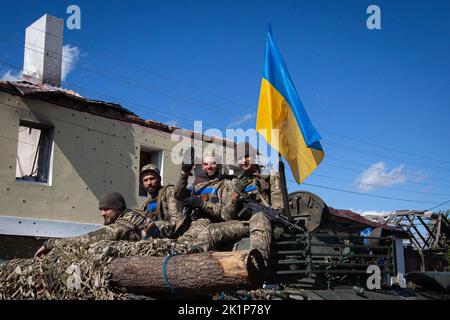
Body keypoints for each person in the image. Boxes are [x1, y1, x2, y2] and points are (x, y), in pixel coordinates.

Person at [192, 142, 283, 264]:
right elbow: (227, 216)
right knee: (212, 229)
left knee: (259, 217)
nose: (244, 161)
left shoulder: (270, 176)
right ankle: (193, 261)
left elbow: (278, 206)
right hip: (244, 223)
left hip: (265, 219)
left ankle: (259, 264)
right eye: (240, 158)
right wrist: (235, 194)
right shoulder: (235, 182)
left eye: (247, 156)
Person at [34, 191, 152, 257]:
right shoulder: (136, 214)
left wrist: (48, 243)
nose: (102, 213)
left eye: (106, 209)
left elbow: (85, 239)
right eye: (101, 209)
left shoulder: (120, 227)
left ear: (118, 208)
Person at [174, 148, 239, 243]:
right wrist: (184, 172)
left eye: (213, 163)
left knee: (196, 228)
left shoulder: (226, 184)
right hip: (191, 226)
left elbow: (227, 215)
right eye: (206, 164)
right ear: (202, 166)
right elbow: (178, 195)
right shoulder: (197, 187)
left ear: (219, 165)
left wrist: (202, 204)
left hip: (212, 227)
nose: (209, 167)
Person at [139, 164, 183, 238]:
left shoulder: (169, 191)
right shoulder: (146, 203)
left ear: (159, 179)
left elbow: (177, 221)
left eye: (152, 179)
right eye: (145, 180)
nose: (149, 183)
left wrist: (155, 226)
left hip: (170, 240)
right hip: (151, 240)